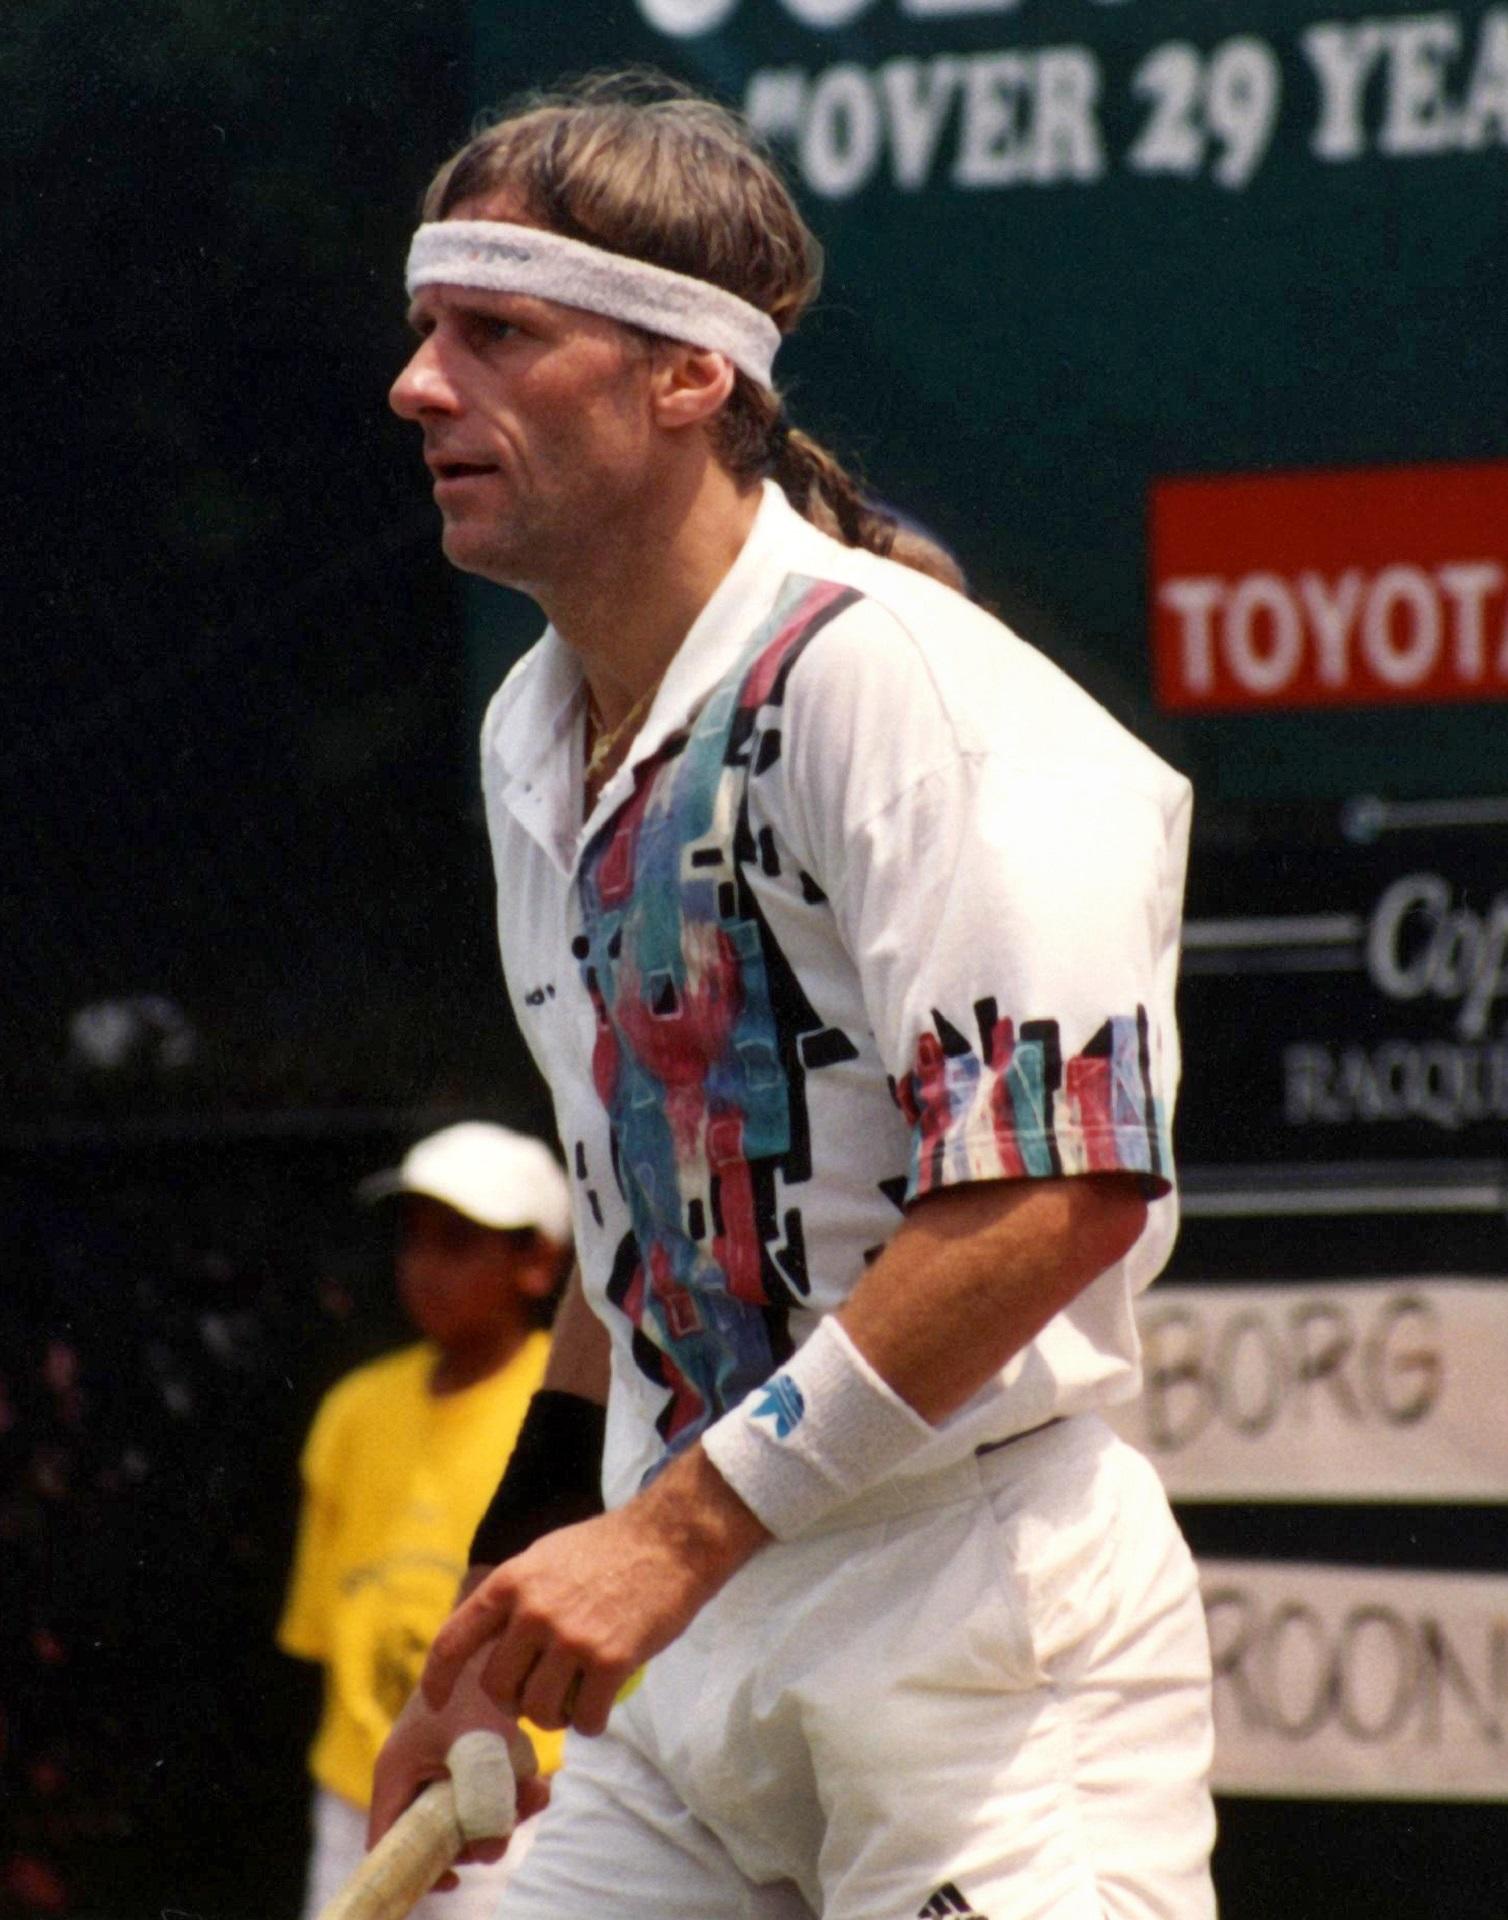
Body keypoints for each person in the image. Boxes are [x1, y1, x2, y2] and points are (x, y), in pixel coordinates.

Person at [373, 71, 1217, 1920]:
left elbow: (1054, 1196)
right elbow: (634, 1229)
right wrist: (505, 1612)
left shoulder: (902, 688)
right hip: (691, 1653)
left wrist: (663, 1540)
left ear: (690, 376)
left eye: (497, 331)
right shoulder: (538, 728)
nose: (419, 384)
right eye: (429, 329)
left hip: (972, 1639)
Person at [278, 1122, 571, 1920]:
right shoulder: (353, 1411)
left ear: (537, 1261)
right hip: (360, 1785)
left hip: (518, 1795)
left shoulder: (571, 1408)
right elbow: (322, 1631)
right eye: (413, 1241)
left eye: (457, 1241)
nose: (424, 1266)